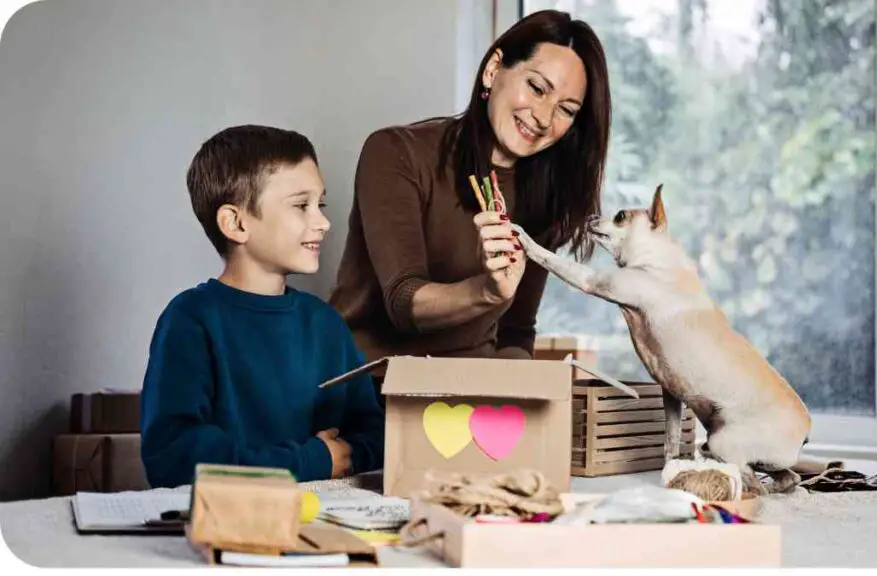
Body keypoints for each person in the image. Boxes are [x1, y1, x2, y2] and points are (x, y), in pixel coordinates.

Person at [328, 10, 611, 379]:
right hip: (370, 387)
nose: (543, 117)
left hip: (471, 400)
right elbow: (402, 302)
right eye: (538, 88)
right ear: (494, 69)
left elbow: (515, 332)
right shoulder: (396, 152)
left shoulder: (545, 194)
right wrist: (488, 291)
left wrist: (520, 398)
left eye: (566, 110)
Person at [140, 125, 384, 488]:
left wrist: (343, 456)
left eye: (321, 204)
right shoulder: (190, 320)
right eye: (302, 206)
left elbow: (374, 436)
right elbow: (173, 456)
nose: (323, 222)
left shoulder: (326, 324)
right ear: (236, 223)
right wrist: (310, 460)